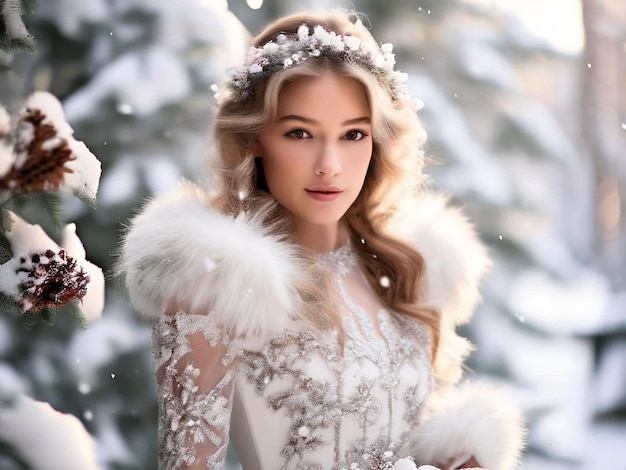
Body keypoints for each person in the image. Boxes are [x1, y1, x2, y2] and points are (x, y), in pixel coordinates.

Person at [118, 10, 525, 470]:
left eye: (353, 134)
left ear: (376, 143)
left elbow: (403, 436)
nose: (329, 164)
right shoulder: (215, 283)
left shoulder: (402, 267)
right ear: (254, 139)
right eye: (300, 133)